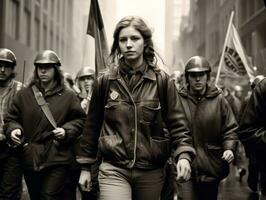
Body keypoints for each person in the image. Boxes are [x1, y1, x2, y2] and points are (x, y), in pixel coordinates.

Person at [77, 16, 195, 200]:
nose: (129, 45)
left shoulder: (162, 81)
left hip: (151, 169)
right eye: (123, 40)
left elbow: (178, 123)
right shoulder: (105, 82)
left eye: (135, 39)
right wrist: (85, 167)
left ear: (145, 42)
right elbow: (91, 127)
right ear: (117, 45)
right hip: (113, 168)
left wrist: (184, 155)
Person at [4, 50, 86, 199]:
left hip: (57, 156)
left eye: (47, 66)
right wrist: (14, 130)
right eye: (39, 66)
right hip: (31, 157)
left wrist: (66, 131)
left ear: (56, 69)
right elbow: (11, 119)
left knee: (47, 196)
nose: (43, 70)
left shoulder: (68, 95)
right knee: (36, 196)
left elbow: (80, 120)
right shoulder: (24, 94)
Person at [177, 56, 238, 200]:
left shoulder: (219, 99)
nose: (198, 79)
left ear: (207, 76)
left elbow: (230, 129)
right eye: (193, 75)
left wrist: (229, 148)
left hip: (211, 166)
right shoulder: (178, 99)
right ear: (187, 77)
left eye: (201, 74)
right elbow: (170, 128)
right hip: (185, 166)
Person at [0, 48, 23, 199]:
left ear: (12, 68)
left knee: (9, 193)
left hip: (12, 149)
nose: (2, 70)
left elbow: (29, 118)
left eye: (6, 66)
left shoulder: (21, 89)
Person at [238, 75, 266, 196]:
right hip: (260, 151)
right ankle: (253, 183)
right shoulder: (261, 90)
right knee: (254, 165)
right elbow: (246, 127)